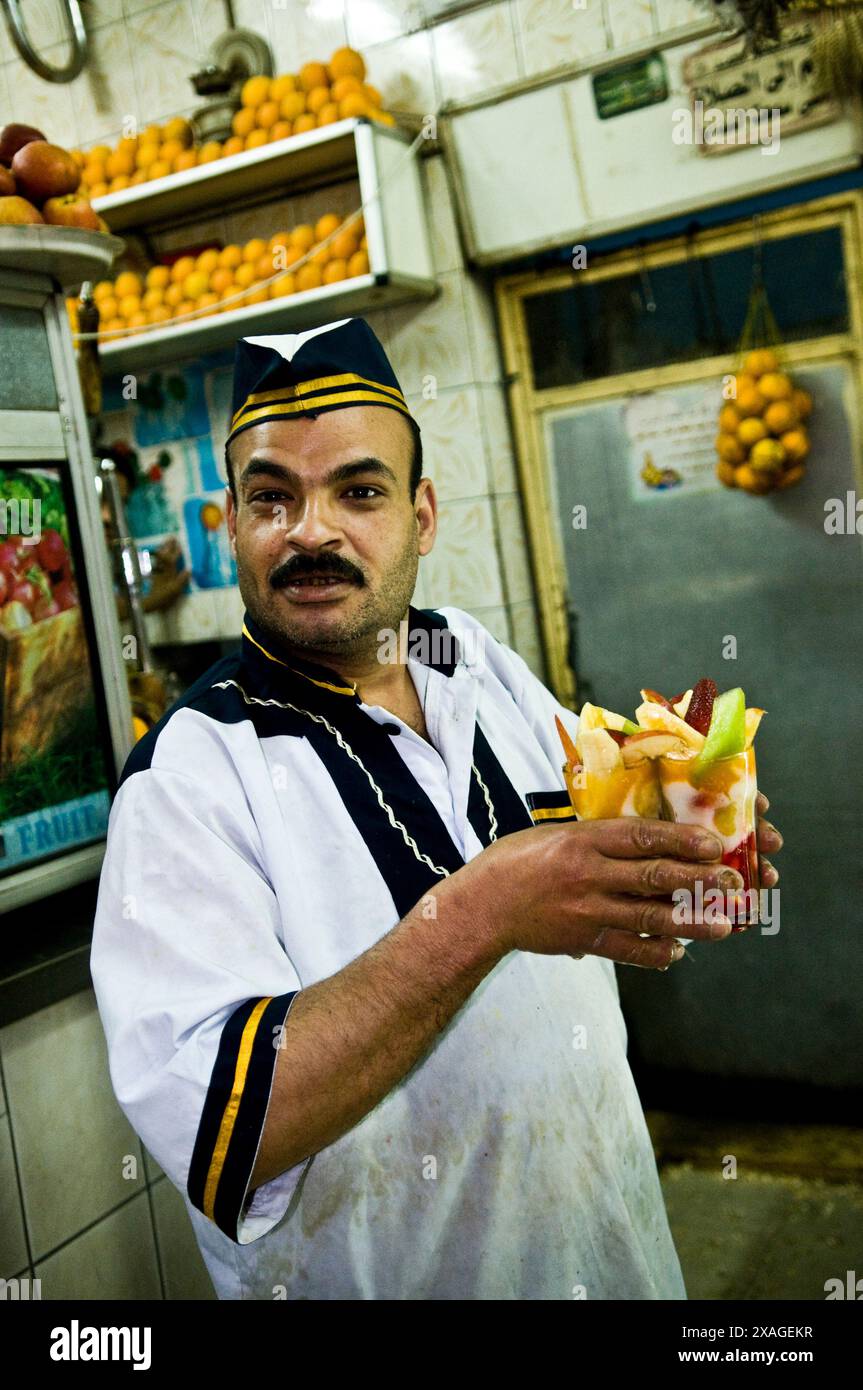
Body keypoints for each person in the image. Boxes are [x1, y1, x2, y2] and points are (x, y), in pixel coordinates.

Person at [90, 317, 783, 1301]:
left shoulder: (476, 660)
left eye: (358, 491)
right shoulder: (189, 777)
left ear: (421, 514)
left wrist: (683, 843)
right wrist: (483, 908)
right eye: (271, 497)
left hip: (609, 1261)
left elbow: (588, 849)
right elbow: (223, 1133)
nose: (313, 530)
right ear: (231, 522)